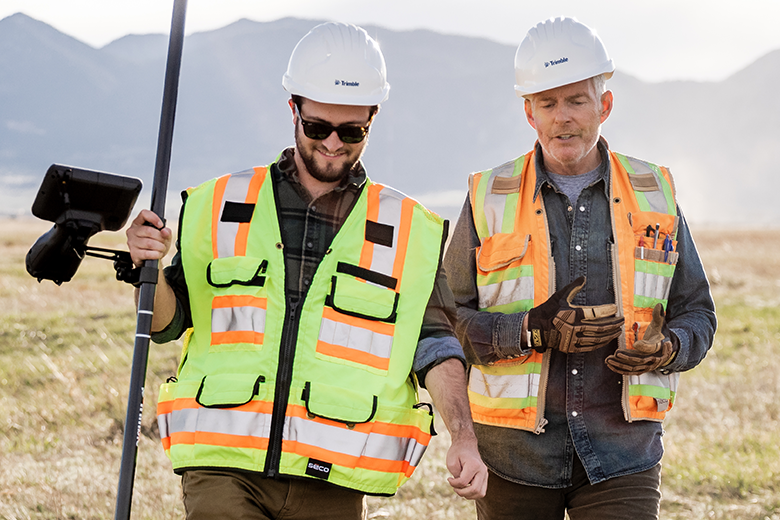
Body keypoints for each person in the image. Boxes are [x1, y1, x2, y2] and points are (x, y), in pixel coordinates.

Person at [126, 22, 487, 520]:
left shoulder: (407, 231)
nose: (333, 143)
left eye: (351, 131)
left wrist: (464, 437)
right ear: (293, 110)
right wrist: (149, 265)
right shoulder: (221, 205)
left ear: (373, 119)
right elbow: (166, 323)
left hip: (332, 470)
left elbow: (436, 346)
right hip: (224, 460)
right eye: (318, 127)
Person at [443, 16, 716, 520]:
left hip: (623, 455)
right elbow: (444, 322)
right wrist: (528, 330)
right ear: (529, 112)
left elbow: (697, 312)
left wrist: (669, 347)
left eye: (576, 101)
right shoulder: (488, 198)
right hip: (513, 458)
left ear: (604, 105)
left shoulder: (654, 193)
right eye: (548, 103)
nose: (563, 118)